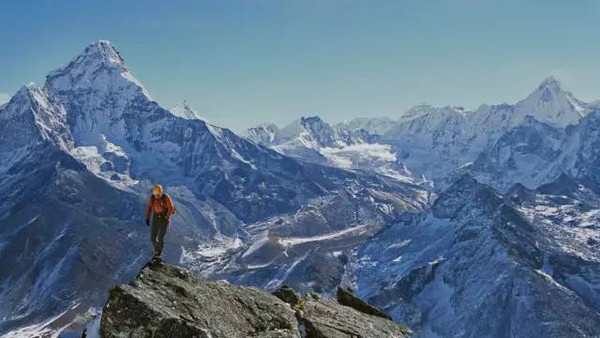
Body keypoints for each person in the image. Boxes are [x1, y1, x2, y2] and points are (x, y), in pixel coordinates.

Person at [145, 184, 175, 262]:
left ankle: (158, 254)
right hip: (156, 216)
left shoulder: (166, 197)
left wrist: (167, 218)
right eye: (156, 195)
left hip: (164, 217)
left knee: (161, 236)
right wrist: (148, 218)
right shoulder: (152, 198)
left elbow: (171, 208)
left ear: (161, 193)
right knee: (152, 237)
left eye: (158, 195)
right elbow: (149, 208)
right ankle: (157, 250)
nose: (157, 197)